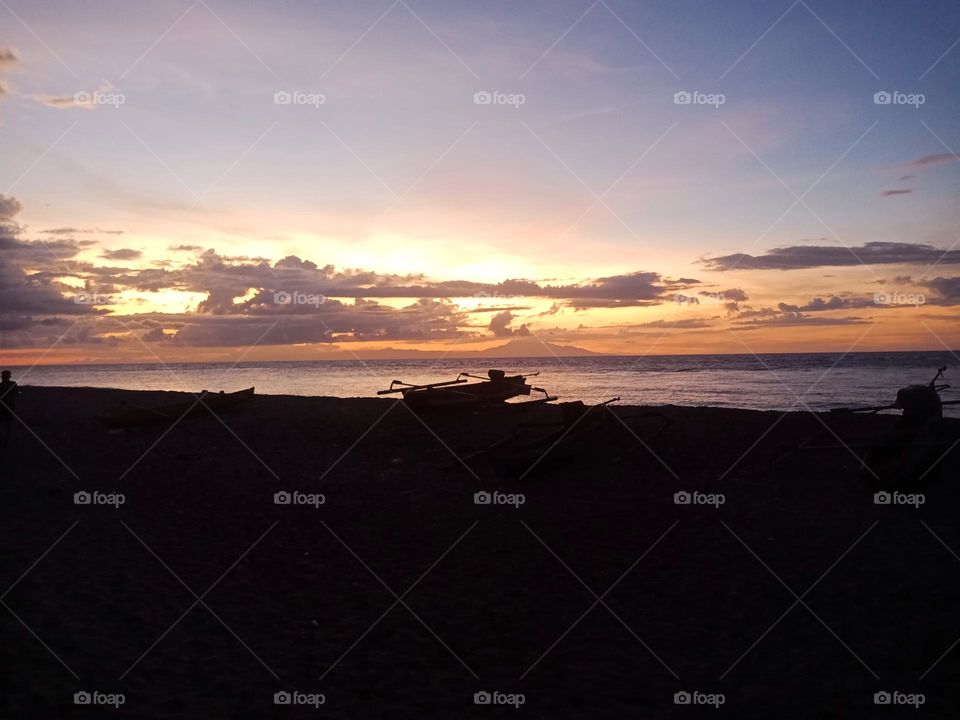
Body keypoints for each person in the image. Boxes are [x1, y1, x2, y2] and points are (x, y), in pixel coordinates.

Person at [0, 370, 17, 448]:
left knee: (5, 424)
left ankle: (4, 440)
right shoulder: (13, 384)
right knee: (7, 424)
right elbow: (15, 394)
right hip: (9, 406)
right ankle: (5, 440)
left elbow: (15, 394)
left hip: (4, 406)